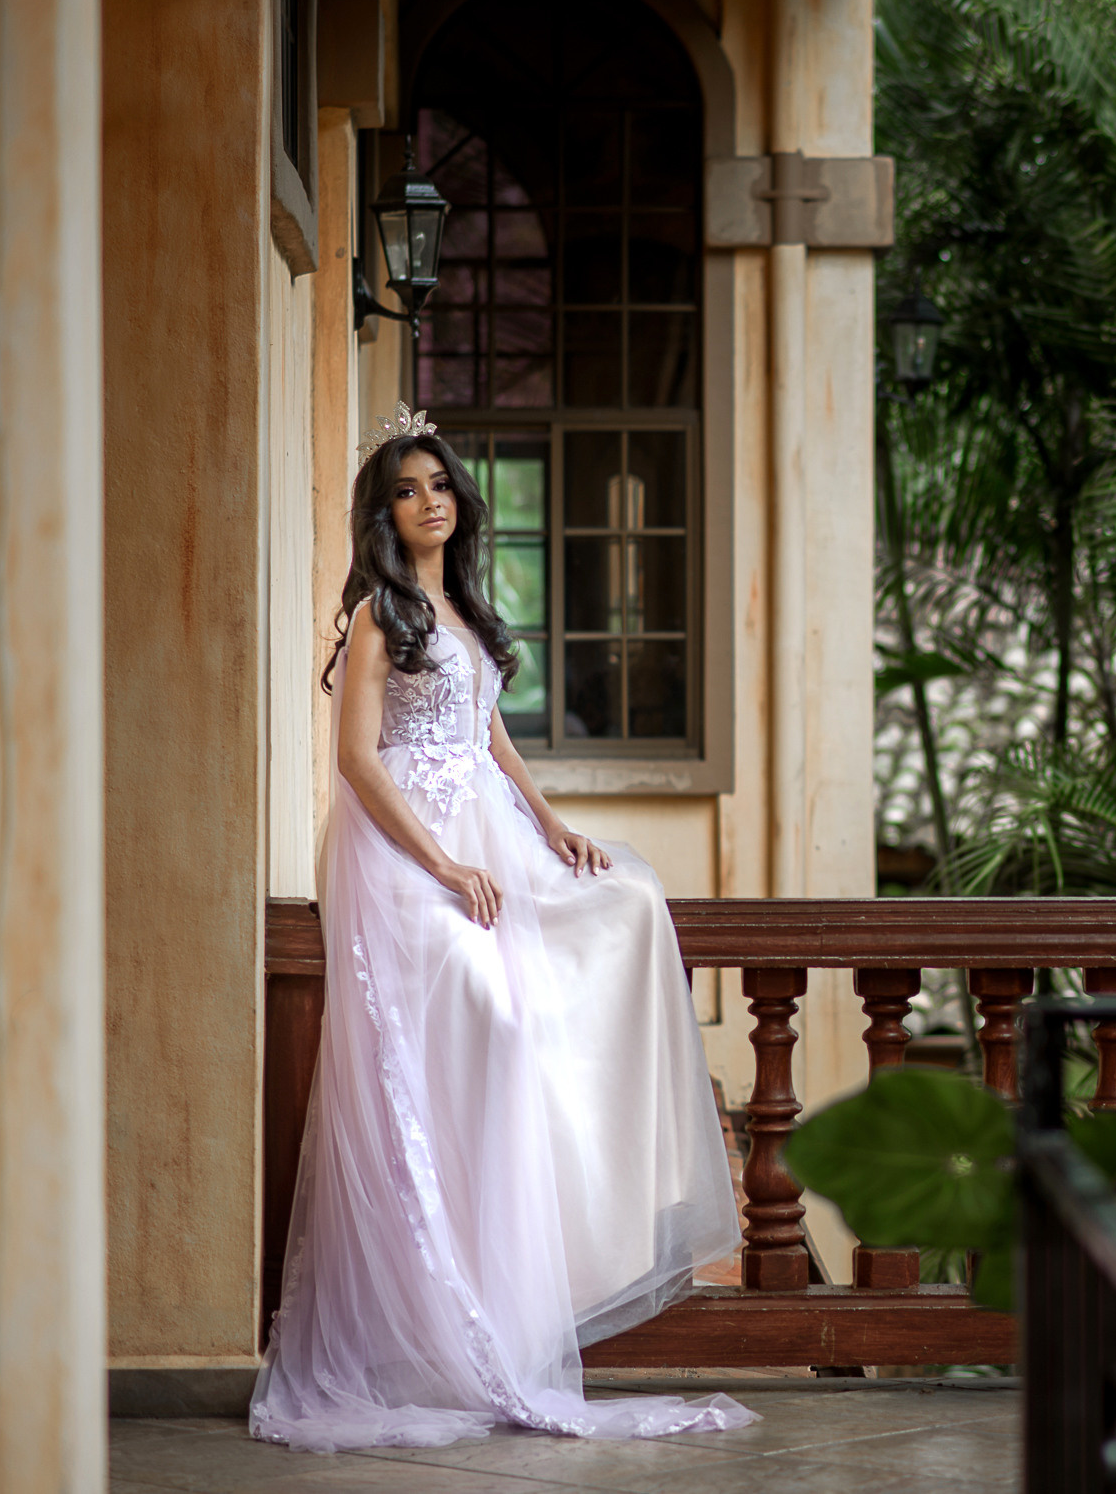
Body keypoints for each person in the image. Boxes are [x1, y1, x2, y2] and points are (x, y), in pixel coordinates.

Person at [250, 405, 753, 1452]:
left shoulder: (465, 611)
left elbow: (491, 739)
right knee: (490, 1025)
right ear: (382, 513)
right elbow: (356, 761)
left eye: (439, 485)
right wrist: (440, 863)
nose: (429, 501)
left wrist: (552, 824)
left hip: (489, 832)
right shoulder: (376, 617)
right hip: (407, 853)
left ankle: (500, 1297)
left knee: (622, 904)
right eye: (406, 489)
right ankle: (437, 1315)